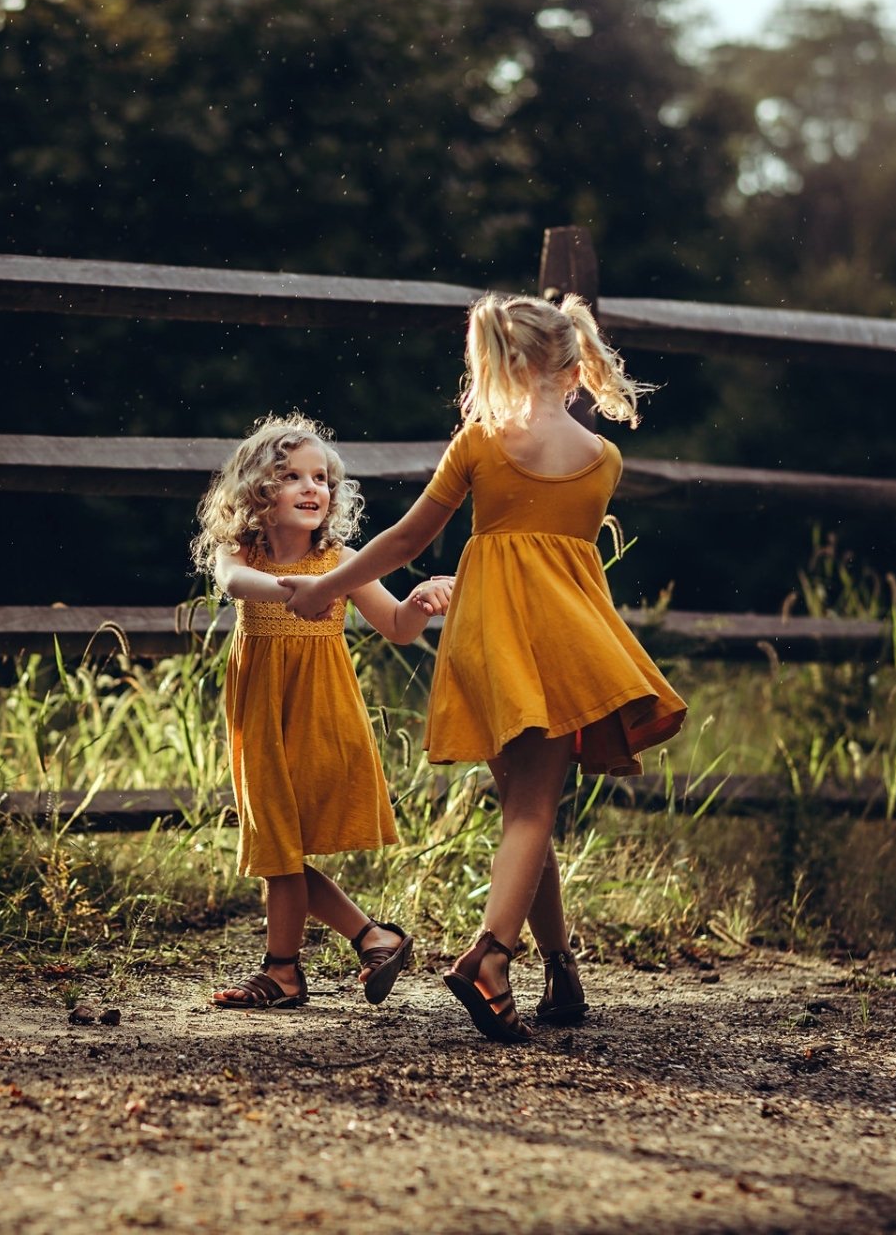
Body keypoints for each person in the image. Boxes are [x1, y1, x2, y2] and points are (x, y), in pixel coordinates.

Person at [280, 294, 686, 1041]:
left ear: (504, 362)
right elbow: (563, 564)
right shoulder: (605, 460)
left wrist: (327, 586)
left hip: (490, 642)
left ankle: (560, 970)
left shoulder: (484, 441)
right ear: (571, 366)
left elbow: (405, 542)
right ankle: (492, 958)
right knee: (534, 809)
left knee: (524, 813)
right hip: (564, 645)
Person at [192, 413, 452, 1009]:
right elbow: (235, 585)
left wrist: (419, 601)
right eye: (291, 477)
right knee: (276, 843)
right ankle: (370, 938)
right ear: (258, 491)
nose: (313, 488)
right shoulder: (242, 553)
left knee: (282, 846)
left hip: (321, 712)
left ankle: (290, 968)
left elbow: (398, 628)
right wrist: (302, 590)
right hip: (261, 712)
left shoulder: (342, 560)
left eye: (322, 478)